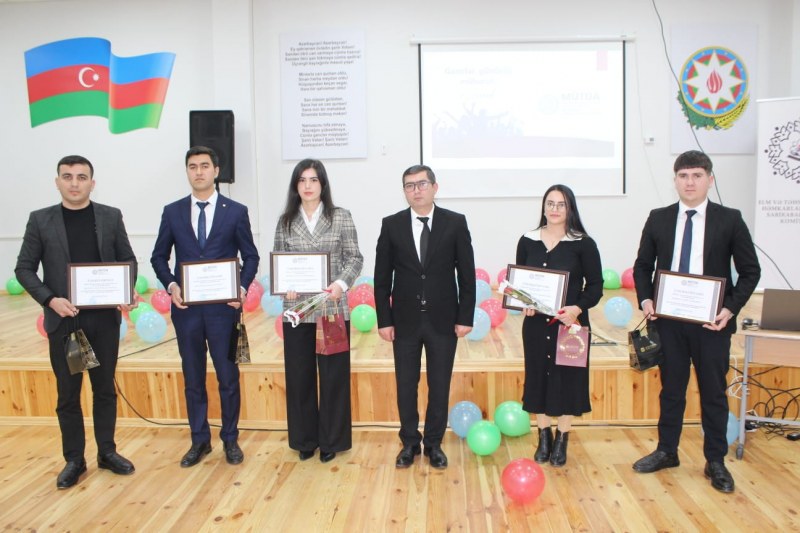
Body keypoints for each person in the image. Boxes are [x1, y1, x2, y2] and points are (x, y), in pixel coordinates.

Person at [632, 150, 760, 493]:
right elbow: (642, 266)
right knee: (671, 389)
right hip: (669, 321)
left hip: (711, 324)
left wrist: (729, 309)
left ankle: (715, 460)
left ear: (710, 180)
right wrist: (646, 299)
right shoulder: (658, 218)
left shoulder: (730, 219)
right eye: (683, 176)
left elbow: (750, 271)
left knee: (714, 392)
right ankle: (667, 451)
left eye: (697, 176)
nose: (690, 182)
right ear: (675, 180)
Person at [15, 155, 137, 489]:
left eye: (81, 177)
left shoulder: (110, 216)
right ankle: (74, 460)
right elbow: (24, 268)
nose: (74, 183)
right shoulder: (40, 220)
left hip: (104, 321)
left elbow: (128, 259)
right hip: (65, 323)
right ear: (57, 182)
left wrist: (125, 290)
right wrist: (50, 300)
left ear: (92, 183)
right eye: (67, 176)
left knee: (104, 390)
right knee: (68, 395)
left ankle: (107, 452)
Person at [151, 146, 259, 468]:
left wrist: (241, 288)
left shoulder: (235, 211)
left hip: (224, 311)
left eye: (204, 166)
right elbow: (158, 257)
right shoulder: (172, 212)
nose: (198, 172)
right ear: (187, 171)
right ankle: (199, 440)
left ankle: (230, 439)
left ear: (216, 170)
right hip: (186, 312)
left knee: (228, 377)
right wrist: (172, 285)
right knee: (193, 379)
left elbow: (250, 256)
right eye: (192, 166)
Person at [374, 164, 476, 469]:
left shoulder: (455, 223)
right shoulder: (391, 225)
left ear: (435, 187)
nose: (416, 190)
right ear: (404, 191)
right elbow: (382, 279)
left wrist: (465, 316)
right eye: (409, 185)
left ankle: (433, 443)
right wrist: (384, 320)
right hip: (403, 321)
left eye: (421, 184)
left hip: (443, 320)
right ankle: (409, 442)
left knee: (439, 385)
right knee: (406, 385)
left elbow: (467, 275)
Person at [274, 159, 363, 463]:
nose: (308, 186)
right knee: (299, 376)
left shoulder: (340, 216)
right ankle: (305, 440)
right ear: (295, 186)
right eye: (302, 180)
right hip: (297, 310)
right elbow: (279, 261)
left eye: (313, 180)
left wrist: (340, 284)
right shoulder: (286, 221)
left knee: (333, 376)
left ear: (323, 184)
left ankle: (331, 441)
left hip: (332, 308)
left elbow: (355, 258)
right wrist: (285, 286)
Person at [516, 184, 603, 467]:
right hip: (535, 326)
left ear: (570, 209)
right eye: (550, 203)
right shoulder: (527, 240)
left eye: (561, 204)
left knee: (569, 380)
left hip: (571, 326)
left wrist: (576, 309)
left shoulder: (583, 244)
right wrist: (523, 303)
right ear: (543, 207)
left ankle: (562, 437)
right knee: (537, 376)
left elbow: (596, 286)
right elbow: (520, 284)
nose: (554, 209)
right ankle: (543, 436)